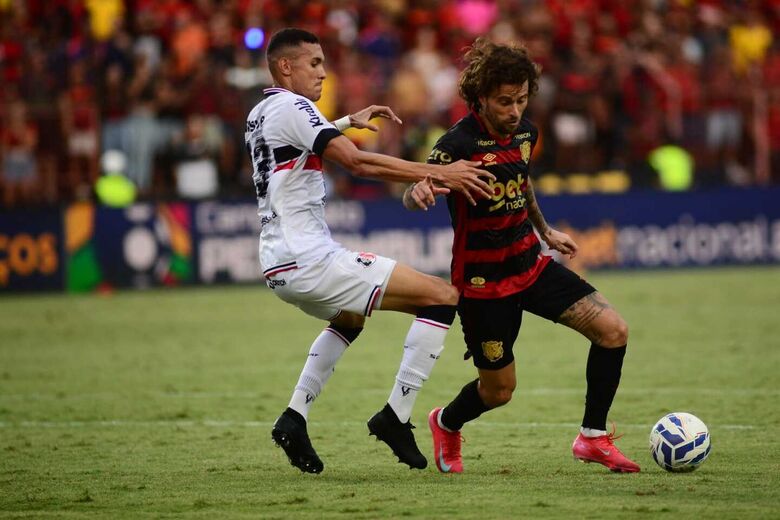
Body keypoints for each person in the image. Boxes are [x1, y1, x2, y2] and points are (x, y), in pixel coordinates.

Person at [249, 28, 495, 474]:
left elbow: (295, 146)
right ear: (285, 66)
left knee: (350, 316)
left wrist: (342, 121)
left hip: (278, 262)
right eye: (314, 63)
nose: (324, 73)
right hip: (309, 259)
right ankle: (396, 417)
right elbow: (358, 163)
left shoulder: (262, 110)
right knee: (442, 296)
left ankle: (294, 417)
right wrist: (444, 174)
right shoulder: (294, 105)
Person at [404, 38, 640, 474]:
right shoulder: (456, 144)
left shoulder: (527, 133)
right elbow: (422, 183)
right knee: (498, 392)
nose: (514, 111)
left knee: (613, 330)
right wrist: (419, 190)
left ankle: (592, 438)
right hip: (483, 285)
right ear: (480, 99)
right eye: (504, 102)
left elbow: (522, 181)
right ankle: (446, 421)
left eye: (521, 99)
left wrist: (545, 230)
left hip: (531, 266)